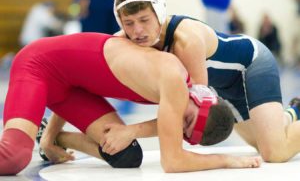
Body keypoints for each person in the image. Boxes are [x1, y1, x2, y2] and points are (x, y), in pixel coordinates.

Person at [0, 32, 260, 175]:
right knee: (14, 156)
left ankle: (54, 138)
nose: (178, 124)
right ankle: (43, 136)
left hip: (69, 87)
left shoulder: (180, 100)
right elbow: (173, 163)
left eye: (185, 131)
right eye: (188, 119)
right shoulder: (173, 75)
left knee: (126, 155)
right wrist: (227, 160)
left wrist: (51, 135)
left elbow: (77, 78)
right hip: (38, 66)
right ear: (200, 99)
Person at [111, 0, 300, 163]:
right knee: (263, 142)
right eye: (128, 23)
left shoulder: (186, 40)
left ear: (160, 13)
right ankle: (293, 112)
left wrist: (131, 131)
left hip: (252, 64)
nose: (137, 31)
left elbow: (190, 112)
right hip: (223, 86)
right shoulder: (123, 39)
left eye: (144, 20)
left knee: (274, 151)